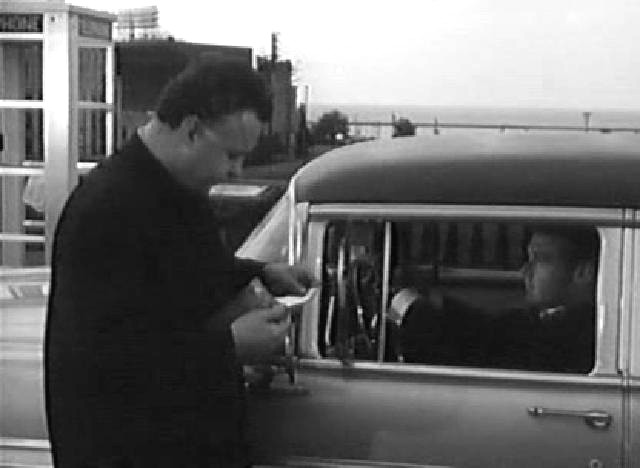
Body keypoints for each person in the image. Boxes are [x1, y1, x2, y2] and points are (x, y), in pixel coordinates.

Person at [44, 59, 315, 468]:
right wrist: (231, 347)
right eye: (232, 155)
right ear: (191, 130)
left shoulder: (175, 188)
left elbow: (187, 274)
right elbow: (103, 359)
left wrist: (260, 273)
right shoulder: (106, 209)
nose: (236, 171)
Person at [398, 225, 599, 374]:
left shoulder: (579, 333)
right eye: (529, 259)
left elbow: (490, 339)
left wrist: (408, 307)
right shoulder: (543, 320)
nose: (525, 271)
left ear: (583, 272)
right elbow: (491, 326)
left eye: (541, 259)